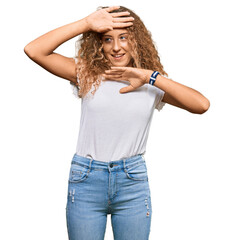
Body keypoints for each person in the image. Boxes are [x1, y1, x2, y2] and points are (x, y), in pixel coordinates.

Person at [24, 5, 210, 240]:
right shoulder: (88, 73)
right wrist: (86, 23)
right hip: (86, 179)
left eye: (123, 37)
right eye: (107, 39)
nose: (116, 47)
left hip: (131, 181)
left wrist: (151, 76)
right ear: (99, 44)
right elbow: (34, 50)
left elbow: (201, 105)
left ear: (137, 40)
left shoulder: (151, 84)